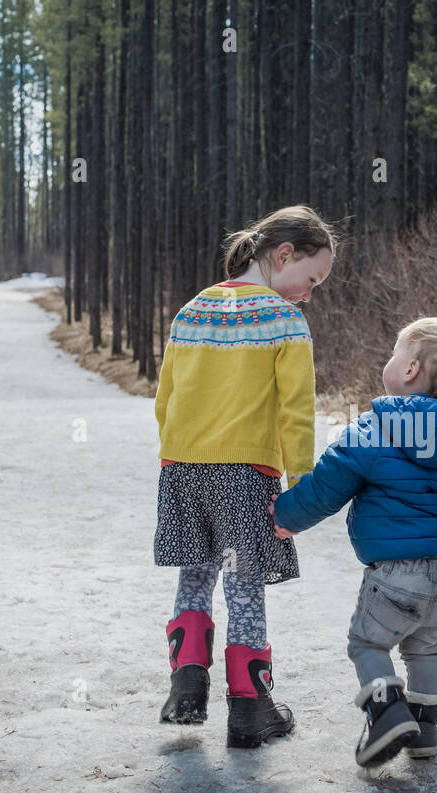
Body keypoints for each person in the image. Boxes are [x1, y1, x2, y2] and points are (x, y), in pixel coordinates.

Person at [270, 316, 437, 766]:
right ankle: (425, 729)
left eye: (396, 352)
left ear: (410, 370)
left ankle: (386, 711)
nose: (390, 360)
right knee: (426, 648)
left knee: (368, 644)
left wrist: (285, 517)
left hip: (398, 574)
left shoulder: (374, 430)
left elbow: (327, 486)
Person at [154, 204, 337, 748]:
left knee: (194, 575)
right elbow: (296, 414)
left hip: (182, 469)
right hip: (245, 474)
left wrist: (176, 453)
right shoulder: (285, 321)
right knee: (245, 586)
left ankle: (186, 688)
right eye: (311, 278)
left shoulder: (192, 310)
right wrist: (301, 487)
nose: (309, 293)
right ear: (283, 256)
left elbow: (166, 399)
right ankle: (249, 707)